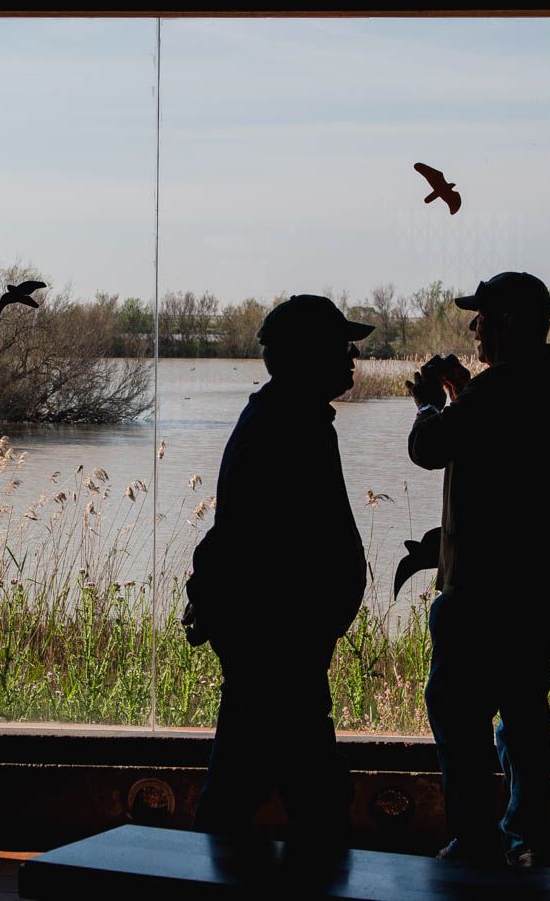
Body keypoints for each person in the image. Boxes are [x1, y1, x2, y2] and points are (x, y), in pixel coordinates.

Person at [405, 271, 550, 868]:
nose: (472, 325)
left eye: (481, 315)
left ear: (508, 322)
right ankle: (524, 837)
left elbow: (430, 447)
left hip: (485, 589)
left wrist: (431, 402)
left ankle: (474, 841)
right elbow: (504, 469)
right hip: (542, 583)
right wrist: (465, 393)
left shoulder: (502, 388)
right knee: (524, 713)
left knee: (458, 713)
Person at [185, 294, 372, 845]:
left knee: (244, 780)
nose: (352, 357)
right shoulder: (292, 424)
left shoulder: (283, 416)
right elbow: (264, 543)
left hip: (274, 641)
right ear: (309, 355)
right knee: (313, 791)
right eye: (341, 347)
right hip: (280, 644)